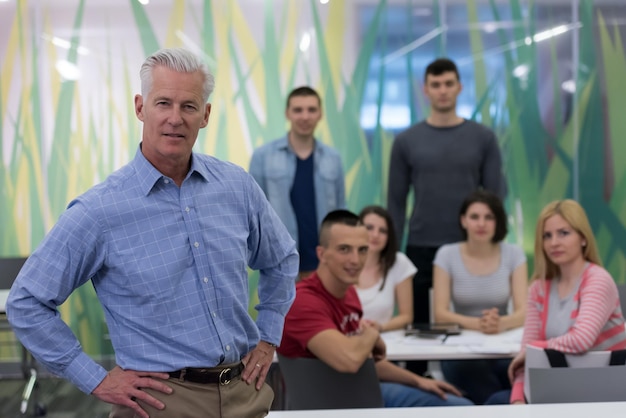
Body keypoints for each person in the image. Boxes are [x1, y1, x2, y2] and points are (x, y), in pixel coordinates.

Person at [6, 48, 299, 418]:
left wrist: (269, 336)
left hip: (244, 394)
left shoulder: (236, 187)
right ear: (141, 108)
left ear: (205, 115)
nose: (175, 119)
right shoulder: (100, 210)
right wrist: (95, 379)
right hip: (159, 404)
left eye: (189, 106)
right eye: (163, 103)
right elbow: (27, 302)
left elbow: (282, 258)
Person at [278, 210, 473, 408]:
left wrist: (419, 381)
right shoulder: (302, 300)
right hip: (331, 404)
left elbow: (365, 360)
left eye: (362, 250)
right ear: (322, 253)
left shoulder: (349, 292)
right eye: (344, 249)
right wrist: (372, 334)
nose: (355, 260)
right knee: (462, 408)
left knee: (461, 404)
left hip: (361, 392)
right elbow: (350, 359)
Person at [387, 58, 506, 369]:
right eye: (435, 85)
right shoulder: (406, 141)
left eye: (448, 84)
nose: (442, 91)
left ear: (459, 87)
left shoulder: (483, 138)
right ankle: (420, 391)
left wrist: (495, 244)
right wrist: (391, 254)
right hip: (421, 247)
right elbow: (395, 203)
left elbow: (495, 199)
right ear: (426, 90)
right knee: (420, 338)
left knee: (478, 330)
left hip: (471, 248)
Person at [488, 199, 626, 404]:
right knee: (495, 401)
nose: (554, 243)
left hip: (607, 391)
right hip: (561, 387)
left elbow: (581, 340)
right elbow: (526, 360)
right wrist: (518, 401)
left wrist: (534, 348)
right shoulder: (538, 288)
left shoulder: (598, 280)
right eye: (547, 236)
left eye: (564, 233)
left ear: (583, 238)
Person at [432, 190, 527, 404]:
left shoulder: (514, 254)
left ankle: (497, 404)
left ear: (497, 221)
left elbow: (524, 311)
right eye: (474, 217)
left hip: (502, 347)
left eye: (488, 217)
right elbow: (440, 314)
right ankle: (500, 404)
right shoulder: (446, 254)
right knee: (488, 385)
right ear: (463, 221)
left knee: (515, 371)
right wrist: (478, 324)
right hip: (460, 353)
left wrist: (501, 323)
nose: (481, 223)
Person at [249, 86, 345, 279]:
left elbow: (340, 211)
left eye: (311, 110)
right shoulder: (263, 156)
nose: (305, 116)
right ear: (287, 113)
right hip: (279, 262)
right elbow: (253, 212)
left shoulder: (333, 158)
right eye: (298, 110)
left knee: (321, 310)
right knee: (286, 311)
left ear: (320, 114)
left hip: (325, 262)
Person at [356, 205, 416, 332]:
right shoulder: (342, 262)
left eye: (383, 231)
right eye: (369, 228)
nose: (375, 235)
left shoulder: (399, 262)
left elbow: (407, 316)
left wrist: (381, 327)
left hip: (386, 340)